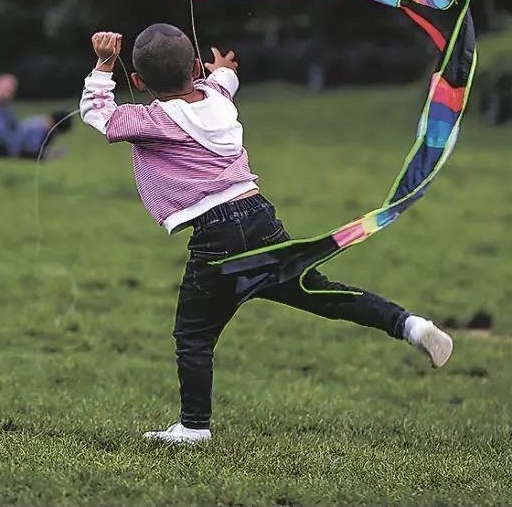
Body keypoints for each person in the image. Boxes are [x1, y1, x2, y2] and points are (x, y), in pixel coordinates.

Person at [80, 25, 453, 445]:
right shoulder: (217, 99)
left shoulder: (157, 120)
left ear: (138, 82)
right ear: (195, 67)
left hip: (216, 237)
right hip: (259, 218)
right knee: (321, 293)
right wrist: (222, 70)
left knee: (194, 335)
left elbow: (98, 113)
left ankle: (194, 427)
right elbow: (222, 81)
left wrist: (103, 62)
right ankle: (411, 325)